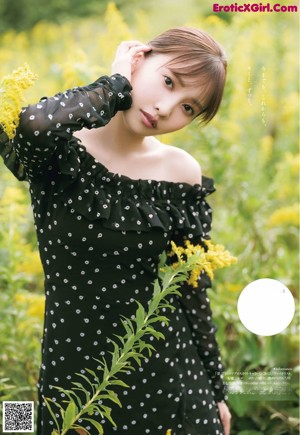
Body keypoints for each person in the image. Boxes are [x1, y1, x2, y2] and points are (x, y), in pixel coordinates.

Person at [0, 27, 231, 435]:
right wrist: (115, 85)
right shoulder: (60, 150)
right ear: (138, 59)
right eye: (168, 81)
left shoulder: (181, 172)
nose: (165, 108)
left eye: (188, 108)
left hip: (175, 385)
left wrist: (217, 391)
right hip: (74, 381)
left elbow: (189, 287)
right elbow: (33, 126)